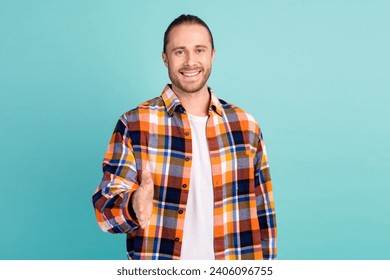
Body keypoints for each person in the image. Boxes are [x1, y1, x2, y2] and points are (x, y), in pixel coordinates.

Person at [92, 14, 277, 260]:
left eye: (199, 50)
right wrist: (133, 205)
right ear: (165, 58)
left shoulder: (246, 126)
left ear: (212, 55)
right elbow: (104, 212)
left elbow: (264, 215)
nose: (191, 61)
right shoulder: (134, 124)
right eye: (180, 52)